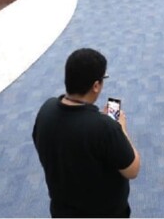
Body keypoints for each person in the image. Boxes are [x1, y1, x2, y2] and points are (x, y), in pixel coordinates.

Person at [32, 48, 140, 217]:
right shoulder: (105, 128)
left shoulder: (46, 110)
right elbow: (132, 170)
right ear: (96, 86)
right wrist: (121, 129)